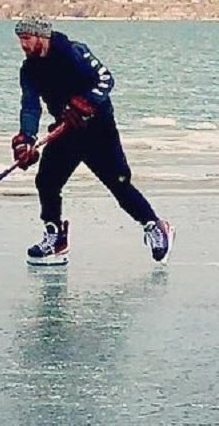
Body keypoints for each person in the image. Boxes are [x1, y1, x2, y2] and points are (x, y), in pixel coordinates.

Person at [10, 15, 173, 266]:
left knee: (119, 184)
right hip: (66, 131)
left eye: (27, 38)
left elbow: (106, 79)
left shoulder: (74, 52)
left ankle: (155, 226)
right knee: (46, 182)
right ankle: (55, 237)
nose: (23, 45)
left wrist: (84, 103)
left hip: (99, 130)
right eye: (20, 39)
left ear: (42, 37)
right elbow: (30, 107)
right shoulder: (29, 70)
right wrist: (26, 139)